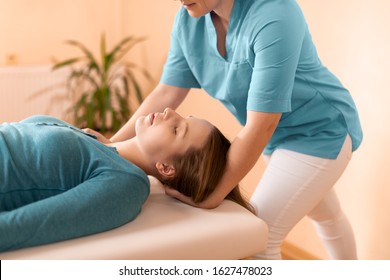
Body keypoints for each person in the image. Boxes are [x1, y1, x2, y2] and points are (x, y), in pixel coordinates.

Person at [110, 0, 363, 259]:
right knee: (327, 216)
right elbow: (167, 92)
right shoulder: (189, 19)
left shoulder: (275, 14)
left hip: (318, 131)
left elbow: (261, 124)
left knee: (258, 239)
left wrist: (212, 195)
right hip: (274, 137)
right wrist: (110, 146)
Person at [0, 108, 251, 252]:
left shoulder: (126, 183)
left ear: (166, 168)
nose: (169, 112)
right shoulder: (96, 141)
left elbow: (38, 224)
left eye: (177, 129)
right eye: (183, 116)